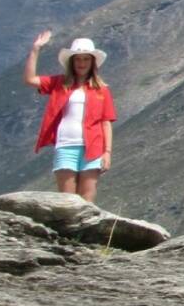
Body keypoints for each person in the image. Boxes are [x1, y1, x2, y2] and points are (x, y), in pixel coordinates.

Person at [23, 32, 116, 203]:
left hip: (93, 147)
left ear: (92, 62)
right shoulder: (59, 83)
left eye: (86, 59)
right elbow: (30, 79)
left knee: (87, 198)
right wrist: (35, 49)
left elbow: (106, 122)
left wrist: (107, 152)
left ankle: (85, 231)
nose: (82, 63)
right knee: (67, 200)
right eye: (78, 59)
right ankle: (67, 230)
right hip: (66, 145)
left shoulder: (101, 89)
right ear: (72, 62)